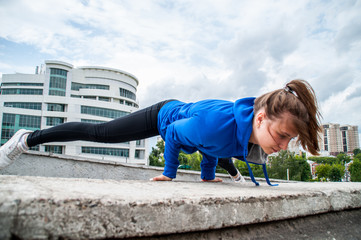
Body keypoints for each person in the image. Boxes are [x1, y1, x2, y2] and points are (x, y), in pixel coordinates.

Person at [0, 79, 321, 186]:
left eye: (289, 140)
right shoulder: (218, 126)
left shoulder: (242, 130)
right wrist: (170, 172)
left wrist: (208, 176)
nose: (283, 145)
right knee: (99, 132)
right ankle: (28, 138)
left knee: (220, 151)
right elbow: (177, 135)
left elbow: (214, 147)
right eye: (281, 136)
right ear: (262, 118)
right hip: (163, 116)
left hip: (198, 125)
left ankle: (226, 174)